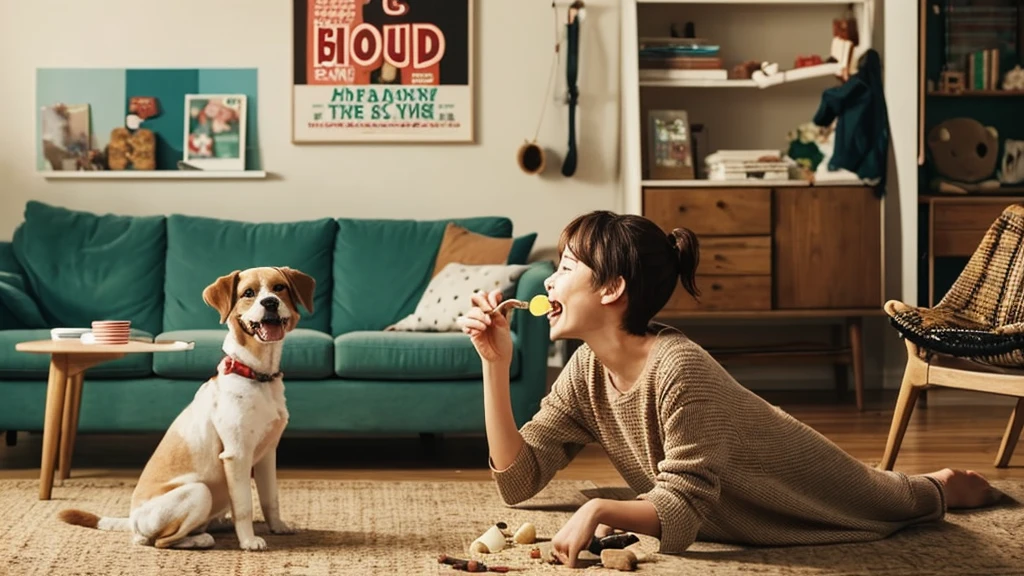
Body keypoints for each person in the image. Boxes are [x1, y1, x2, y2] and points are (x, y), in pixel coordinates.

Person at [457, 210, 1001, 567]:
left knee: (896, 499)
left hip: (798, 471)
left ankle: (940, 482)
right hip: (727, 499)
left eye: (567, 266)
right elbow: (518, 480)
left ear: (614, 288)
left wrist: (601, 508)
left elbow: (683, 508)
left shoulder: (678, 368)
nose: (549, 280)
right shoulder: (584, 373)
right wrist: (494, 367)